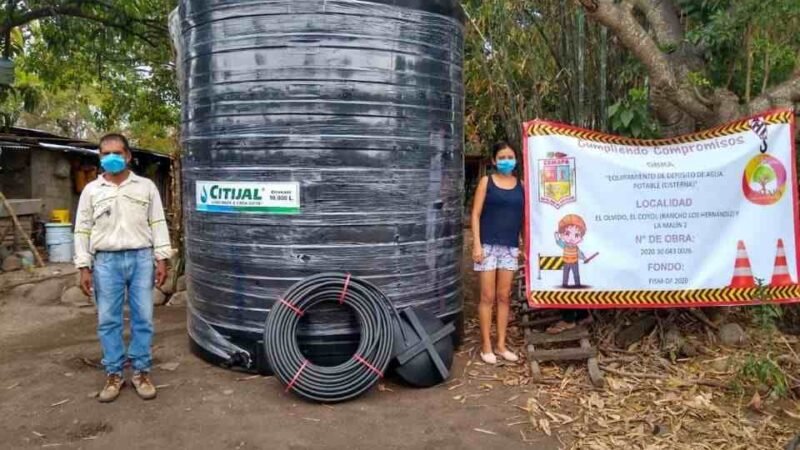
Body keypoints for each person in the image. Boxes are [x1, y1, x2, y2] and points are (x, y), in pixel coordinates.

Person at [74, 133, 173, 403]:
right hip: (105, 262)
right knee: (108, 320)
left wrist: (161, 259)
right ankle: (114, 374)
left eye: (117, 153)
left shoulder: (145, 187)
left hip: (141, 259)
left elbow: (157, 223)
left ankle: (141, 372)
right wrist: (83, 266)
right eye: (106, 153)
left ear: (128, 156)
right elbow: (82, 229)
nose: (111, 158)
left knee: (144, 318)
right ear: (100, 157)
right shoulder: (92, 191)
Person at [471, 141, 524, 365]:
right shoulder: (487, 182)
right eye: (501, 157)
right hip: (488, 246)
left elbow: (523, 218)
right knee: (487, 297)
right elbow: (475, 214)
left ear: (516, 159)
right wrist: (476, 244)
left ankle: (501, 345)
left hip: (509, 247)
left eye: (510, 157)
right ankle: (486, 346)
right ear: (494, 160)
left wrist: (523, 243)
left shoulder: (521, 185)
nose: (506, 161)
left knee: (504, 297)